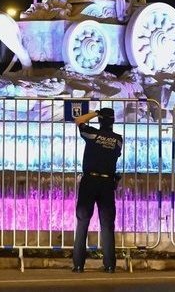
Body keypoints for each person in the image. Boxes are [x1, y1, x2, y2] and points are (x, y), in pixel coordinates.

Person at [71, 108, 122, 274]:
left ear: (100, 120)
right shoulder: (118, 140)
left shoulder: (92, 134)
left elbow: (78, 121)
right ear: (113, 121)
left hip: (90, 181)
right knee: (107, 225)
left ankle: (78, 265)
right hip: (107, 182)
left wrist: (94, 112)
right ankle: (109, 265)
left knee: (83, 222)